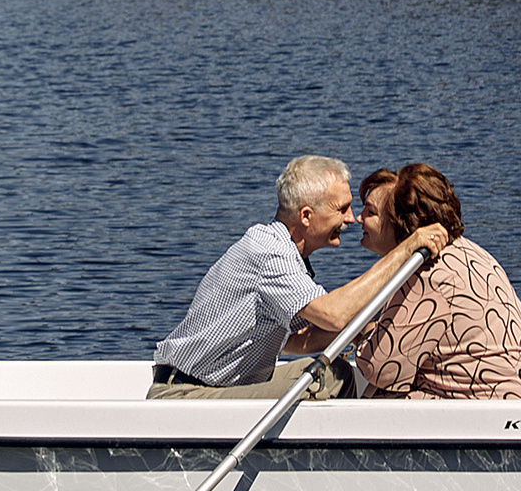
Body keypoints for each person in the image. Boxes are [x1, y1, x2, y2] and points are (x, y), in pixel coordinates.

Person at [150, 154, 448, 399]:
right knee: (329, 378)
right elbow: (333, 315)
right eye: (341, 209)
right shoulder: (270, 253)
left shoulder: (285, 254)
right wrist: (405, 250)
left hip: (213, 386)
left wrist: (368, 327)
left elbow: (295, 341)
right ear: (306, 216)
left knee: (331, 370)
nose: (350, 218)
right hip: (185, 395)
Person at [354, 162, 521, 400]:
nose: (358, 219)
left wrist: (363, 331)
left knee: (382, 397)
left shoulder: (427, 275)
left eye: (370, 212)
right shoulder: (470, 251)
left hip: (503, 407)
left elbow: (379, 368)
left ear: (399, 222)